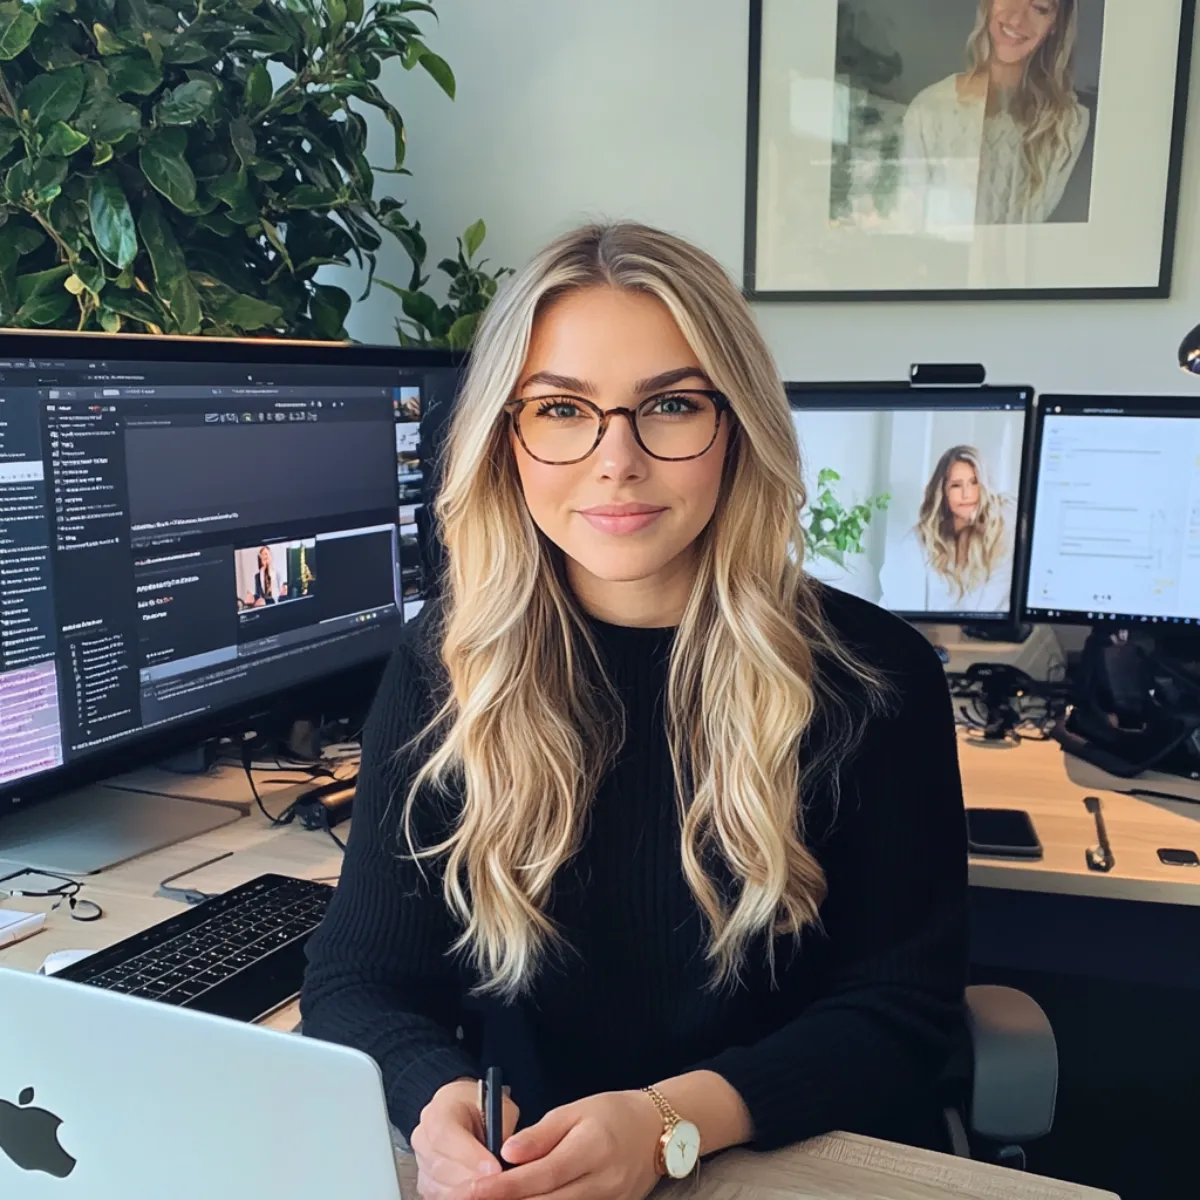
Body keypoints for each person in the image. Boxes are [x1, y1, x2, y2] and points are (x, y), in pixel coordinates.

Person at [300, 223, 967, 1200]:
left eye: (672, 405)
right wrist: (432, 1100)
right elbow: (359, 979)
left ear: (736, 425)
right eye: (562, 408)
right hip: (526, 1177)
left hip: (784, 1165)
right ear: (505, 437)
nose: (617, 460)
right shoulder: (449, 663)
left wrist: (666, 1125)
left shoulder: (873, 675)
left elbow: (902, 1010)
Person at [900, 0, 1090, 229]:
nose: (1017, 19)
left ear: (1055, 25)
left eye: (1039, 7)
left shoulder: (1068, 126)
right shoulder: (928, 111)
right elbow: (910, 231)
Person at [879, 445, 1013, 613]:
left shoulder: (1000, 533)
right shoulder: (917, 543)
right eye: (956, 485)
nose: (967, 494)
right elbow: (901, 609)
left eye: (974, 483)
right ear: (943, 491)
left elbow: (995, 609)